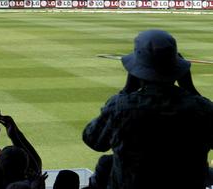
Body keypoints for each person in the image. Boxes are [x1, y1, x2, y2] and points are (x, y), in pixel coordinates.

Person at [83, 29, 213, 189]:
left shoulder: (122, 106)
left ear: (135, 72)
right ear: (179, 71)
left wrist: (126, 90)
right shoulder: (201, 108)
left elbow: (94, 141)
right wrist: (191, 89)